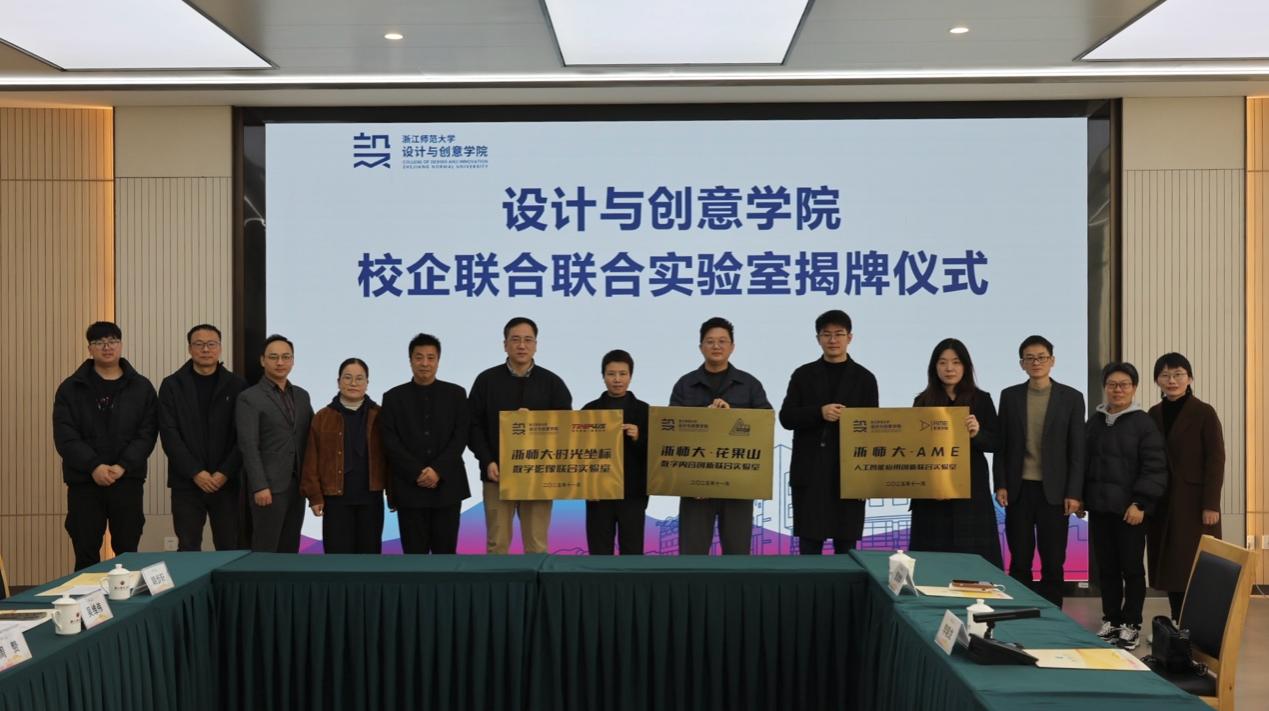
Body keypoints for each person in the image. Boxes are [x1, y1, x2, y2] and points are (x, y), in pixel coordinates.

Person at [53, 321, 158, 570]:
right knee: (85, 551)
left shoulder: (141, 387)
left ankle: (127, 596)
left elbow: (147, 433)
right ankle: (87, 596)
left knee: (128, 552)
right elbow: (65, 436)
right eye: (99, 342)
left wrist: (122, 466)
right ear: (90, 349)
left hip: (127, 480)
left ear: (121, 345)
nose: (107, 347)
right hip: (84, 481)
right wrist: (94, 466)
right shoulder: (71, 387)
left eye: (112, 341)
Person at [994, 335, 1085, 607]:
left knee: (1053, 559)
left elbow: (1077, 450)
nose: (1036, 362)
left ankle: (1053, 614)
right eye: (1030, 358)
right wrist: (1000, 483)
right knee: (1020, 558)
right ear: (1021, 363)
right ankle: (1019, 612)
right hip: (1019, 489)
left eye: (1042, 357)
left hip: (1055, 492)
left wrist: (1074, 492)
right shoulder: (1009, 396)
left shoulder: (1071, 397)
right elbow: (1002, 445)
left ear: (1052, 360)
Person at [469, 317, 572, 554]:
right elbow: (472, 425)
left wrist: (536, 421)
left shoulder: (552, 383)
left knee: (537, 545)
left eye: (528, 340)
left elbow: (565, 428)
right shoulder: (486, 380)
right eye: (515, 340)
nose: (522, 345)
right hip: (497, 474)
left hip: (538, 477)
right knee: (497, 544)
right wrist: (487, 460)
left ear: (536, 345)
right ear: (505, 344)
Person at [779, 310, 878, 555]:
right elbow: (786, 417)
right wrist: (819, 412)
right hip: (811, 471)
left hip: (849, 473)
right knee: (809, 547)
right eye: (826, 334)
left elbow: (872, 429)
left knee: (847, 549)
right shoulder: (803, 375)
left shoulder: (865, 378)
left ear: (850, 337)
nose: (833, 340)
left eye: (839, 334)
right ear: (818, 338)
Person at [670, 316, 771, 555]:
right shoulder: (685, 385)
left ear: (732, 347)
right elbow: (672, 433)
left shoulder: (749, 385)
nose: (716, 346)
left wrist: (733, 416)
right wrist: (703, 418)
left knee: (737, 556)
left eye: (722, 341)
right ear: (701, 347)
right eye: (710, 341)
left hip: (738, 484)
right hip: (696, 487)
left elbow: (765, 425)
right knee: (692, 557)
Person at [1085, 362, 1167, 650]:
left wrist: (1140, 503)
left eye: (1124, 385)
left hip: (1130, 512)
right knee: (1106, 570)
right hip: (1100, 510)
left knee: (1131, 570)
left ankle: (1131, 624)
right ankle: (1111, 619)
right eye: (1112, 385)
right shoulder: (1094, 422)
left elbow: (1155, 467)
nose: (1117, 390)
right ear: (1105, 388)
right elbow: (1083, 463)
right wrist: (1081, 498)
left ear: (1134, 388)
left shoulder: (1143, 423)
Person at [907, 339, 1003, 567]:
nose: (949, 368)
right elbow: (913, 446)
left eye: (956, 362)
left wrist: (977, 433)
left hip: (970, 492)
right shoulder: (922, 401)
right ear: (934, 367)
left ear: (966, 366)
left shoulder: (981, 399)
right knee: (932, 560)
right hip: (931, 492)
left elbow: (996, 443)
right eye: (942, 362)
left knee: (973, 559)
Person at [1146, 353, 1225, 622]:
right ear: (1157, 380)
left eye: (1178, 374)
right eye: (1165, 375)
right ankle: (1176, 623)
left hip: (1194, 503)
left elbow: (1215, 460)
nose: (1172, 380)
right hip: (1163, 502)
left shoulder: (1204, 412)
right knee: (1171, 567)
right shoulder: (1153, 414)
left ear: (1189, 378)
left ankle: (1195, 625)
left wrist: (1211, 504)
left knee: (1194, 566)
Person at [157, 324, 247, 551]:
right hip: (186, 482)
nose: (205, 349)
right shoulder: (172, 385)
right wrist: (196, 472)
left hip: (226, 482)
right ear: (189, 348)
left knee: (229, 547)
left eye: (211, 344)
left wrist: (224, 472)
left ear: (220, 347)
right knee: (188, 547)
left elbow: (244, 436)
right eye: (199, 344)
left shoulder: (237, 385)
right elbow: (169, 434)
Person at [380, 334, 471, 554]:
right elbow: (390, 441)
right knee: (414, 558)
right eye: (419, 357)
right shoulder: (393, 397)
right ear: (410, 360)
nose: (425, 363)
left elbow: (460, 436)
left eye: (431, 357)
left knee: (445, 556)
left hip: (448, 486)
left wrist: (437, 470)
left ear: (438, 360)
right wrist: (417, 472)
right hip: (409, 488)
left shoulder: (456, 394)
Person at [236, 334, 313, 553]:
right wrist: (260, 485)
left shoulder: (302, 396)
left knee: (290, 548)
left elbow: (309, 438)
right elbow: (248, 446)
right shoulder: (250, 398)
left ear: (293, 361)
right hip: (268, 488)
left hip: (297, 486)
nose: (280, 362)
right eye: (273, 357)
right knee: (265, 549)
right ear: (263, 360)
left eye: (286, 357)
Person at [301, 358, 386, 554]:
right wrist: (314, 496)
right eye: (347, 378)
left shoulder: (380, 415)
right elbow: (311, 459)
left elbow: (390, 458)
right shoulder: (323, 417)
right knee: (337, 559)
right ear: (338, 381)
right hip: (335, 500)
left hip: (371, 500)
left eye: (359, 378)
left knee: (370, 558)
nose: (353, 383)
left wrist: (393, 495)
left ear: (367, 383)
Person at [582, 349, 650, 555]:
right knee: (599, 553)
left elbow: (657, 454)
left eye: (623, 374)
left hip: (633, 493)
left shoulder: (645, 411)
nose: (617, 379)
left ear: (631, 376)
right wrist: (586, 487)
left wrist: (639, 437)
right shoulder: (589, 411)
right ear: (603, 376)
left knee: (632, 553)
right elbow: (579, 453)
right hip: (598, 494)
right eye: (611, 374)